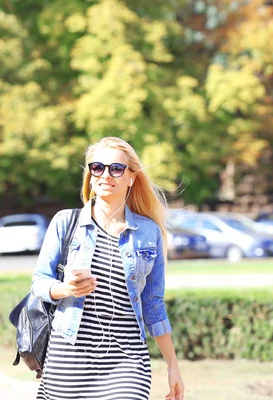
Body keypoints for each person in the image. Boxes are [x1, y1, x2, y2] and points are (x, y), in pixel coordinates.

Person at [31, 137, 185, 400]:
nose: (106, 175)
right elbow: (39, 284)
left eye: (116, 168)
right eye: (98, 167)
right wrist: (65, 288)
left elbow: (153, 304)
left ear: (131, 177)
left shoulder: (149, 232)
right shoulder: (65, 223)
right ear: (90, 176)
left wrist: (173, 366)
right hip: (70, 356)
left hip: (127, 361)